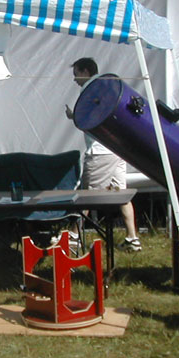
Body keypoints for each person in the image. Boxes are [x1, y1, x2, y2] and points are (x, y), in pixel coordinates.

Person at [65, 57, 141, 252]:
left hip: (100, 153)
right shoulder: (105, 88)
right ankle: (132, 238)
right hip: (116, 150)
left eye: (76, 74)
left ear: (85, 71)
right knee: (122, 194)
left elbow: (92, 119)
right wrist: (75, 116)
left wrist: (75, 117)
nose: (75, 79)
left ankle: (73, 237)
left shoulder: (90, 89)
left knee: (86, 196)